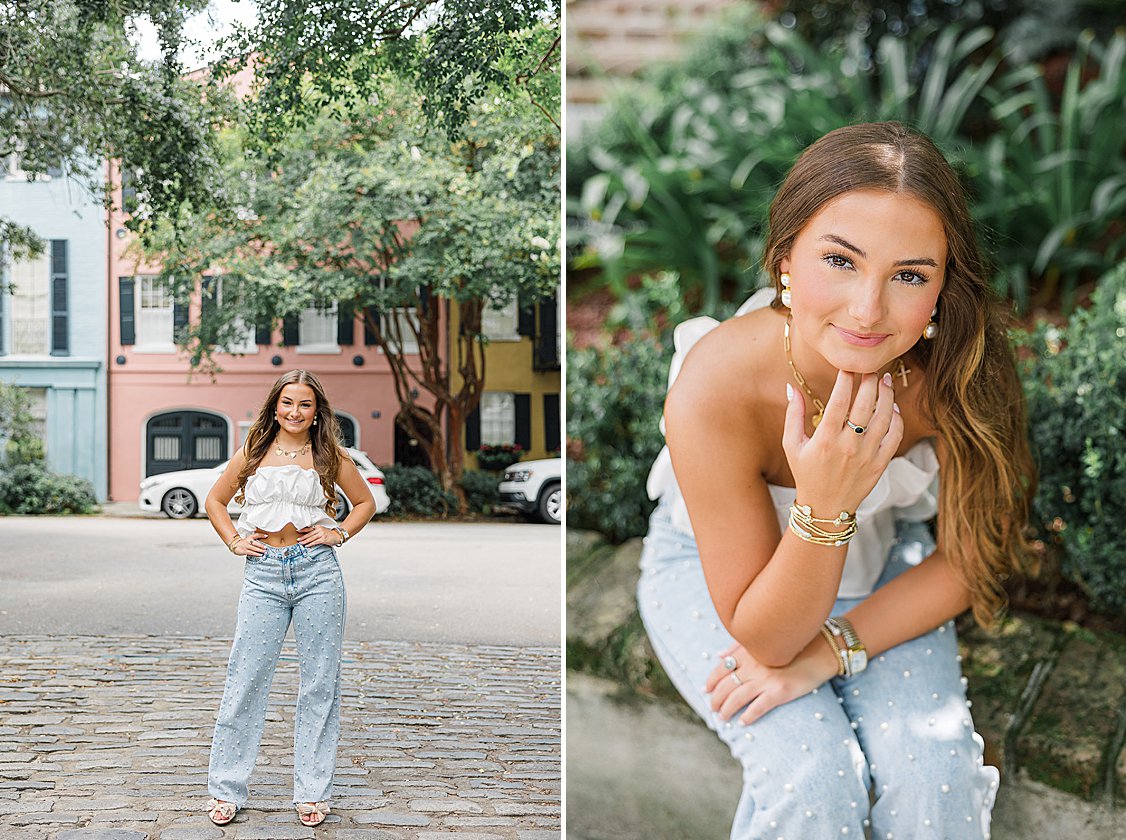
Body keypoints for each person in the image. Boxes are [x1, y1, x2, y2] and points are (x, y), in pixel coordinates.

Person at [639, 122, 1034, 840]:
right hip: (716, 575)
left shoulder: (957, 370)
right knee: (813, 780)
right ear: (786, 257)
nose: (867, 310)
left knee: (931, 775)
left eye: (909, 275)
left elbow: (978, 557)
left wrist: (832, 652)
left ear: (945, 288)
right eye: (840, 261)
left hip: (886, 564)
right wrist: (824, 501)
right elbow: (765, 636)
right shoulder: (716, 388)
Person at [202, 368, 376, 827]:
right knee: (245, 680)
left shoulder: (330, 455)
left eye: (304, 404)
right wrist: (234, 542)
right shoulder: (253, 451)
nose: (295, 412)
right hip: (263, 574)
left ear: (317, 411)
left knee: (320, 684)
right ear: (274, 406)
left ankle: (313, 790)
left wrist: (337, 532)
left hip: (318, 572)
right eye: (287, 403)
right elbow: (215, 501)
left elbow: (365, 505)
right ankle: (225, 788)